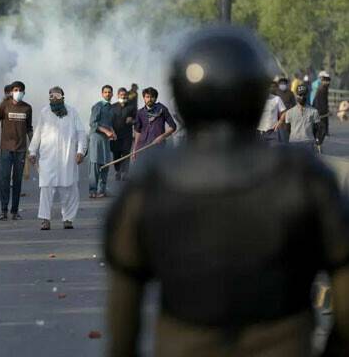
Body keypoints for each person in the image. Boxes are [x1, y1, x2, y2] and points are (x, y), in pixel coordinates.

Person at [104, 26, 349, 357]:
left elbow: (124, 308)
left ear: (183, 95)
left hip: (184, 344)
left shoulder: (153, 180)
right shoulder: (305, 177)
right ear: (254, 92)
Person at [28, 87, 87, 231]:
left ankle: (68, 219)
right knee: (46, 188)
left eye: (57, 95)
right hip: (48, 158)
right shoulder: (44, 112)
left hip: (67, 158)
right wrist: (32, 151)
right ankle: (45, 219)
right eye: (52, 95)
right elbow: (38, 133)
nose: (54, 98)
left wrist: (80, 151)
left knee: (69, 188)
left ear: (63, 97)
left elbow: (81, 133)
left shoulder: (72, 112)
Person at [0, 81, 33, 221]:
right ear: (12, 91)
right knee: (4, 179)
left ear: (24, 92)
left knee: (17, 180)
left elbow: (29, 129)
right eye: (15, 89)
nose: (18, 92)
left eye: (20, 90)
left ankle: (15, 211)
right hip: (6, 149)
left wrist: (34, 148)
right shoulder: (4, 106)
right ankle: (3, 210)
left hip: (21, 149)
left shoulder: (27, 108)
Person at [132, 87, 176, 161]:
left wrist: (162, 137)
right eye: (147, 97)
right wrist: (135, 149)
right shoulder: (140, 112)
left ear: (155, 98)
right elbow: (138, 131)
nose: (149, 99)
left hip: (158, 147)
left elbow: (173, 126)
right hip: (142, 147)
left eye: (152, 97)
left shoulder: (162, 109)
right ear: (144, 98)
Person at [88, 85, 115, 198]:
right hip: (96, 139)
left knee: (106, 164)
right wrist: (106, 131)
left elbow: (109, 123)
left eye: (109, 92)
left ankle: (101, 190)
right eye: (105, 92)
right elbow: (93, 123)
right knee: (95, 164)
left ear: (112, 94)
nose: (107, 94)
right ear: (102, 93)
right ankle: (93, 190)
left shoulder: (111, 108)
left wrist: (113, 132)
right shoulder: (98, 106)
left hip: (106, 140)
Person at [110, 87, 137, 181]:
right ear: (118, 95)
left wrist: (132, 120)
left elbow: (137, 120)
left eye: (124, 95)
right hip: (115, 136)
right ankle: (117, 171)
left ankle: (125, 172)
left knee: (126, 154)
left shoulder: (131, 107)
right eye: (121, 95)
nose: (123, 96)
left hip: (127, 136)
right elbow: (109, 121)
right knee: (116, 154)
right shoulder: (112, 107)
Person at [284, 84, 320, 152]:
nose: (302, 97)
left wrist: (316, 140)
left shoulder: (314, 111)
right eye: (300, 95)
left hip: (309, 142)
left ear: (307, 95)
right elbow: (287, 129)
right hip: (294, 143)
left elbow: (317, 128)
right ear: (296, 95)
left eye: (304, 95)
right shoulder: (289, 112)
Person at [273, 76, 296, 143]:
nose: (283, 85)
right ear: (279, 84)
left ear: (286, 84)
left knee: (286, 135)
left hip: (288, 117)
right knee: (278, 135)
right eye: (281, 83)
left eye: (284, 83)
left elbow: (294, 105)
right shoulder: (276, 92)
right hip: (277, 117)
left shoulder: (290, 93)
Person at [313, 71, 331, 150]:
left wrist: (327, 111)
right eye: (325, 80)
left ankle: (318, 143)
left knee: (321, 130)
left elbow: (325, 102)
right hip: (320, 113)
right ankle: (318, 143)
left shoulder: (325, 88)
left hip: (323, 113)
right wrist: (323, 112)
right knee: (321, 129)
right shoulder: (321, 89)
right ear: (322, 81)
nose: (327, 82)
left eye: (328, 80)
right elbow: (318, 102)